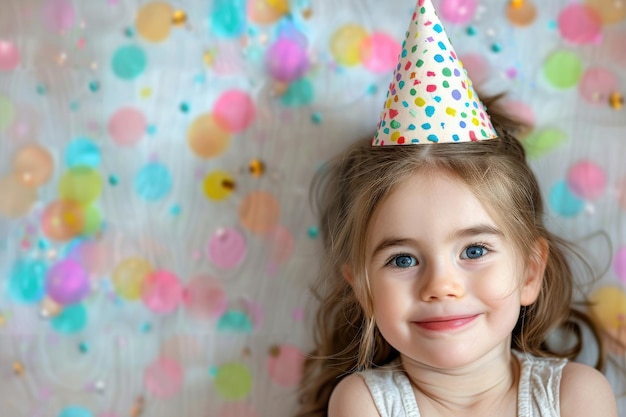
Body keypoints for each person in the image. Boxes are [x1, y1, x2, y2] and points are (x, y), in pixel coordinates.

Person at [295, 0, 619, 416]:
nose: (441, 285)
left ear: (530, 271)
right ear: (362, 287)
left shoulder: (575, 396)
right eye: (403, 259)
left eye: (474, 251)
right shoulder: (364, 404)